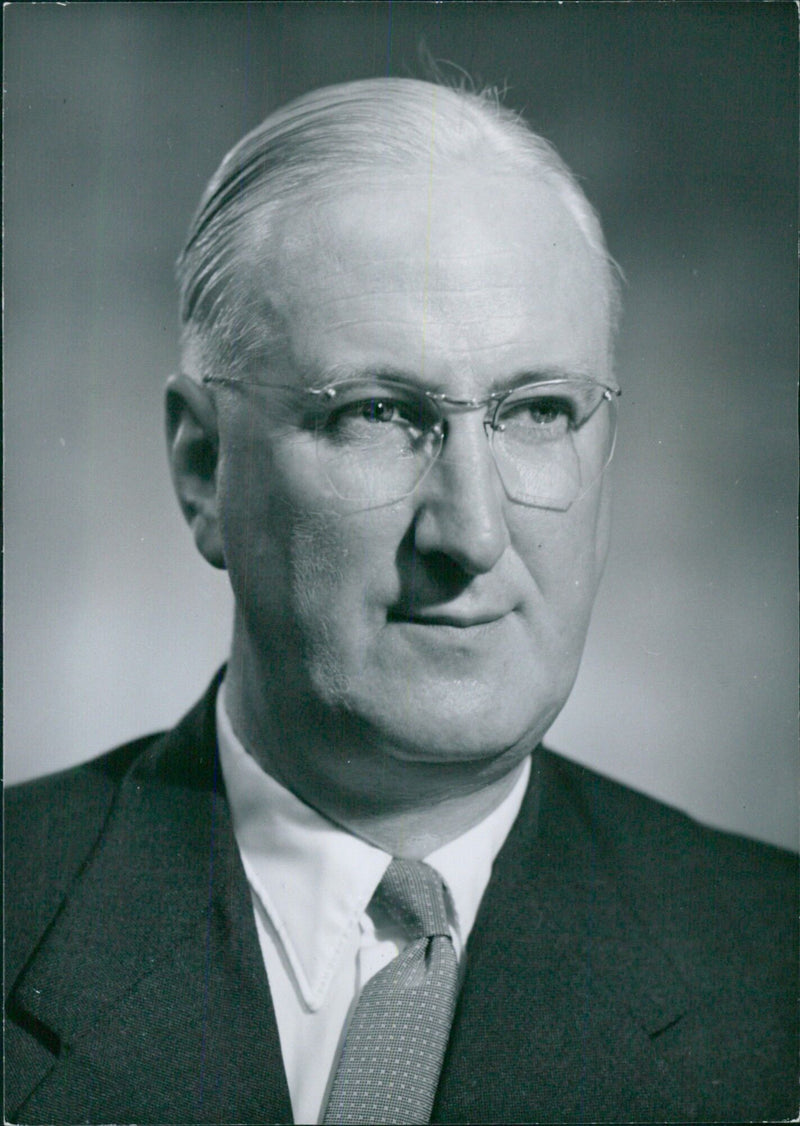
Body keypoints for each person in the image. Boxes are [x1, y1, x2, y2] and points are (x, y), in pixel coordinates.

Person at [5, 77, 796, 1125]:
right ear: (203, 468)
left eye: (536, 411)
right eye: (378, 412)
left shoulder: (771, 964)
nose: (469, 532)